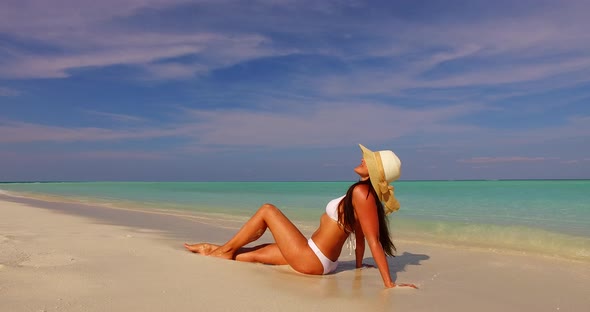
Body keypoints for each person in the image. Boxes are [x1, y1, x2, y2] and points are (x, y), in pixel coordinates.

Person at [184, 144, 417, 289]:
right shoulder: (363, 194)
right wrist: (358, 265)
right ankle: (212, 249)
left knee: (267, 210)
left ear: (375, 172)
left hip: (312, 259)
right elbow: (360, 234)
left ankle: (223, 250)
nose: (363, 159)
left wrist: (389, 284)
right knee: (255, 253)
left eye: (369, 160)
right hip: (313, 255)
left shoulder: (361, 193)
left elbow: (372, 238)